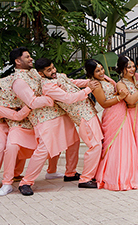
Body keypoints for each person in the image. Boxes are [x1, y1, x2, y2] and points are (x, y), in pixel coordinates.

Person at [9, 47, 80, 196]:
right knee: (44, 149)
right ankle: (26, 182)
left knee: (74, 141)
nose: (31, 59)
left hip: (59, 112)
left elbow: (57, 78)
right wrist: (51, 98)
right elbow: (32, 102)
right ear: (17, 61)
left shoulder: (35, 72)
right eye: (27, 57)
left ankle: (70, 172)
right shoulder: (18, 81)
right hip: (43, 118)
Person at [91, 57, 138, 190]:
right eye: (128, 67)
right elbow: (131, 101)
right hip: (134, 115)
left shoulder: (137, 77)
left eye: (133, 66)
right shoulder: (121, 84)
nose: (132, 69)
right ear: (122, 69)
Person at [37, 58, 103, 189]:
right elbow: (68, 99)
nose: (53, 71)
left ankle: (70, 173)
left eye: (53, 67)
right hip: (82, 116)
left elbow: (72, 82)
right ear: (41, 73)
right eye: (49, 70)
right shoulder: (48, 87)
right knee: (95, 146)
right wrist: (88, 89)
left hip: (89, 112)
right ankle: (85, 179)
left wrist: (90, 82)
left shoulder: (59, 76)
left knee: (95, 143)